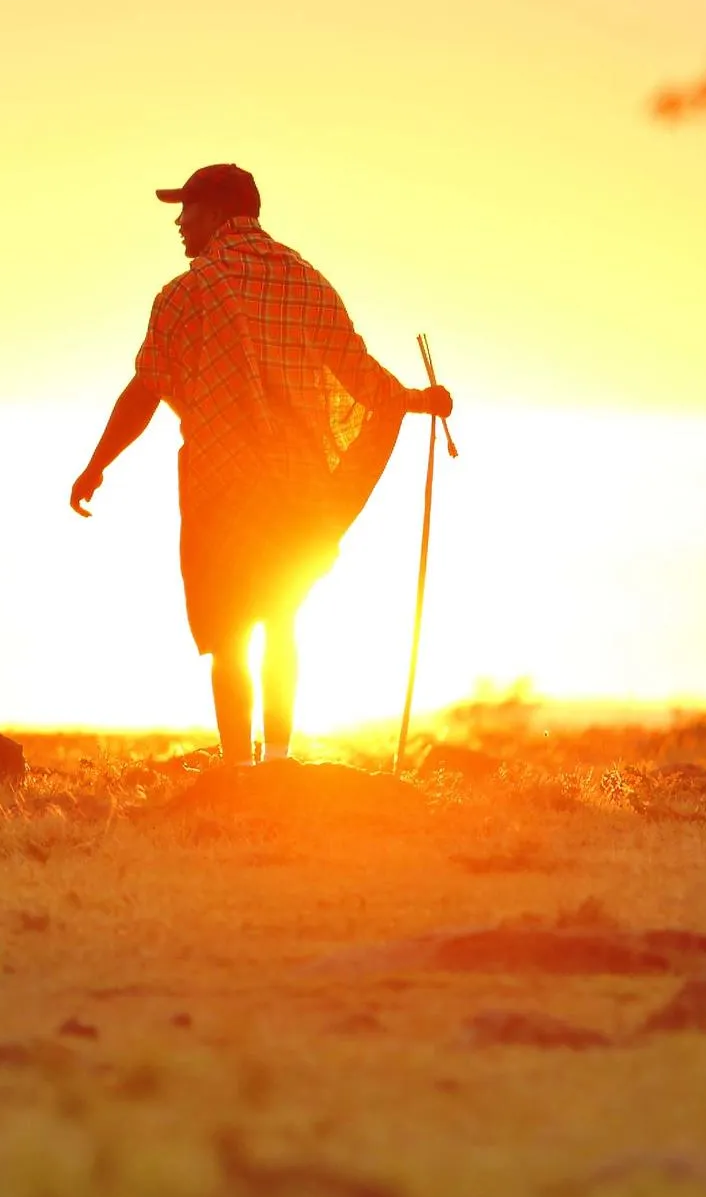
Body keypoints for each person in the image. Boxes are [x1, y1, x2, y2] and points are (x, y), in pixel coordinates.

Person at [68, 164, 451, 764]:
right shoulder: (309, 283)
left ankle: (236, 767)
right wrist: (420, 402)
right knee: (282, 620)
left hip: (224, 488)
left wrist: (96, 467)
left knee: (228, 631)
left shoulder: (186, 294)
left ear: (218, 212)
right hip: (299, 490)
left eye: (187, 208)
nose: (178, 221)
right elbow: (361, 376)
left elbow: (145, 391)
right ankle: (276, 760)